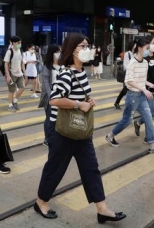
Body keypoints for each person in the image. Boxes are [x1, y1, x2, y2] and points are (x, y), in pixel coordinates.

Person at [35, 33, 126, 224]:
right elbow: (54, 100)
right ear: (72, 50)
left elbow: (77, 95)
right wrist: (78, 104)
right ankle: (41, 201)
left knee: (90, 168)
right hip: (61, 130)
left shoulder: (81, 71)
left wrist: (87, 101)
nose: (88, 49)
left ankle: (102, 209)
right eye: (83, 46)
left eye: (88, 45)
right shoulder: (66, 73)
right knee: (56, 167)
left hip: (79, 129)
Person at [105, 38, 154, 153]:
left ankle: (151, 144)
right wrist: (144, 89)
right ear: (139, 48)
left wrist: (150, 84)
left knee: (149, 118)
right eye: (147, 48)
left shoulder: (145, 63)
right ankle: (110, 135)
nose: (148, 51)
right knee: (127, 120)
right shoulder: (132, 63)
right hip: (132, 97)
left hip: (141, 96)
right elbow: (129, 81)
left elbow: (141, 80)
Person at [38, 44, 62, 146]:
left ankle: (57, 135)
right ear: (52, 54)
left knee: (59, 117)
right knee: (49, 117)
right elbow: (46, 83)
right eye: (57, 52)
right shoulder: (47, 66)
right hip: (50, 96)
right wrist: (50, 96)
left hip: (61, 94)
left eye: (60, 51)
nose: (59, 54)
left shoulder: (63, 65)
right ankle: (47, 138)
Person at [4, 36, 27, 112]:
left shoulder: (21, 51)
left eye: (20, 42)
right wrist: (7, 75)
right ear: (13, 43)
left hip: (20, 73)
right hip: (11, 74)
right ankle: (10, 105)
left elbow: (22, 63)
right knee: (11, 90)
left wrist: (24, 73)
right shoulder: (9, 51)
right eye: (18, 43)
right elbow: (6, 64)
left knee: (22, 87)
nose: (20, 44)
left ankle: (15, 100)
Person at [114, 41, 135, 110]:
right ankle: (118, 102)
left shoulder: (135, 54)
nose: (136, 46)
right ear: (132, 45)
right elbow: (125, 65)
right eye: (135, 45)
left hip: (134, 74)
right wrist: (131, 70)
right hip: (128, 74)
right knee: (125, 90)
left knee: (128, 90)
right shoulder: (127, 54)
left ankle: (118, 102)